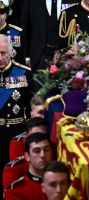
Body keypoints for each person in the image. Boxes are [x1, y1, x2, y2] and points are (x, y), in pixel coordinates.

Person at [0, 34, 31, 197]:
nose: (0, 57)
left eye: (3, 53)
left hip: (15, 134)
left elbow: (32, 105)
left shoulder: (23, 73)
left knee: (14, 178)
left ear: (11, 52)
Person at [21, 0, 70, 74]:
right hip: (39, 57)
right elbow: (25, 27)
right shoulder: (32, 2)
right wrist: (26, 56)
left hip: (67, 57)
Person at [4, 133, 52, 199]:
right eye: (36, 151)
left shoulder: (61, 181)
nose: (42, 155)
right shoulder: (16, 191)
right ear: (27, 157)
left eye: (46, 150)